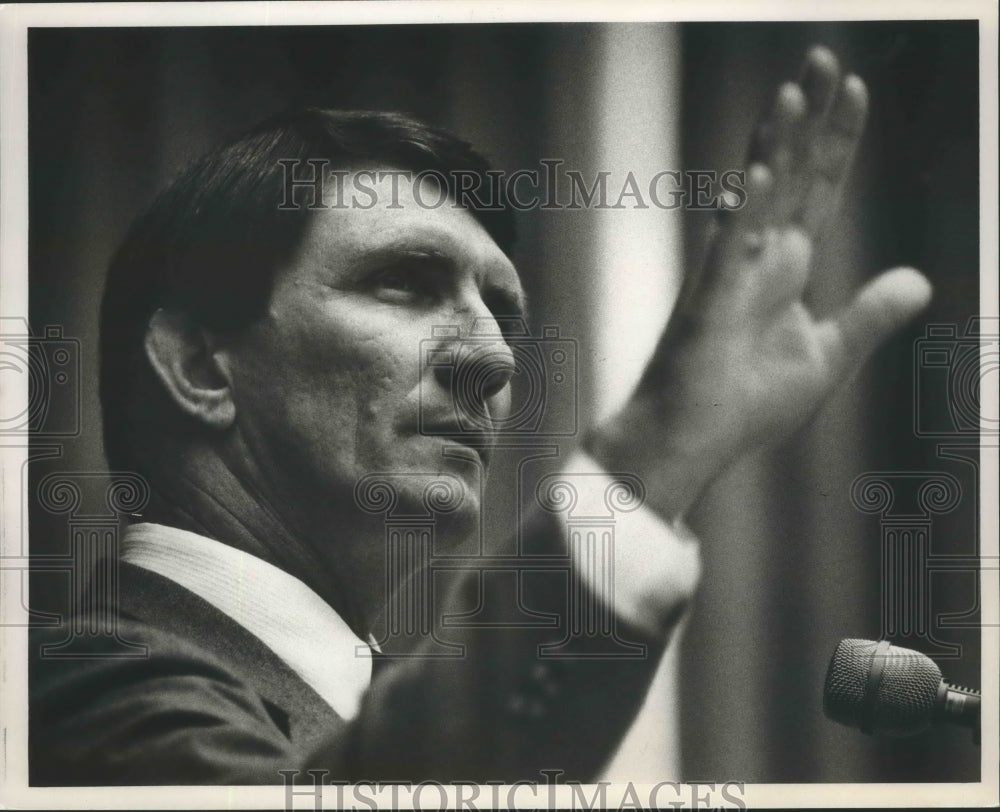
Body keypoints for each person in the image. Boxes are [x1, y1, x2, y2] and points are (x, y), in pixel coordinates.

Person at [29, 46, 931, 785]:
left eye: (503, 314)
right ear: (198, 365)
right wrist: (653, 456)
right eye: (404, 283)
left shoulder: (372, 713)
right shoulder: (75, 694)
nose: (495, 361)